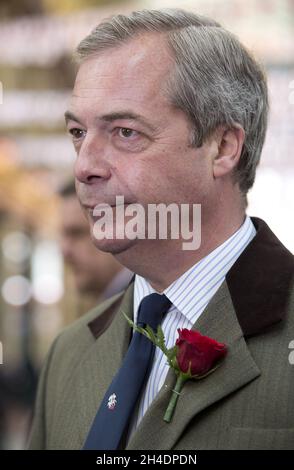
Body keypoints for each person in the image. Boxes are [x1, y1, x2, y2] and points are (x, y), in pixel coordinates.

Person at [29, 9, 294, 450]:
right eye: (78, 132)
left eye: (126, 132)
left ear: (222, 147)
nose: (84, 166)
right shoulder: (69, 353)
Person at [59, 180, 133, 309]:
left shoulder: (139, 312)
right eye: (64, 236)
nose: (65, 250)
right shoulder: (116, 309)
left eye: (77, 233)